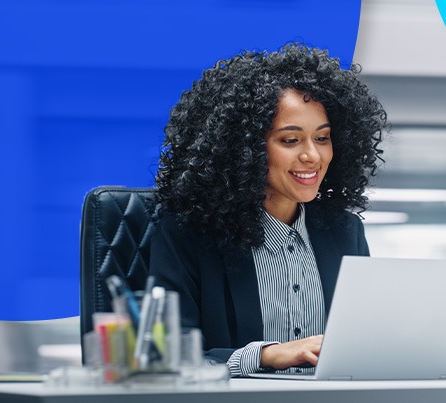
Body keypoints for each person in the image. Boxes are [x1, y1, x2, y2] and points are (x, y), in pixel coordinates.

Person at [148, 43, 388, 377]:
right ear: (243, 147)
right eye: (290, 140)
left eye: (322, 138)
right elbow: (163, 357)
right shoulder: (187, 233)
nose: (312, 157)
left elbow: (365, 345)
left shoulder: (344, 232)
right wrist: (265, 355)